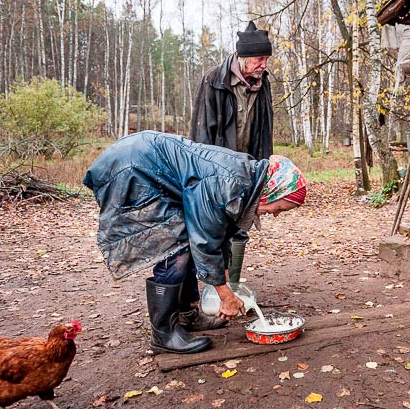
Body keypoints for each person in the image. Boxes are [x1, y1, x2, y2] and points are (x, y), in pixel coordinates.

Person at [82, 131, 307, 354]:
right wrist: (225, 296)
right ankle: (163, 334)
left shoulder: (247, 183)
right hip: (133, 168)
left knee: (184, 239)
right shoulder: (227, 183)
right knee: (175, 246)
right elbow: (204, 240)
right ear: (271, 192)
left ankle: (186, 315)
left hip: (142, 161)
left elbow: (221, 231)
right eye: (279, 208)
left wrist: (225, 280)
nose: (276, 214)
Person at [187, 21, 274, 332]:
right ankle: (213, 293)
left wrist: (264, 170)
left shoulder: (262, 84)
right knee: (215, 230)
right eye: (258, 60)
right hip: (217, 171)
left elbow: (265, 130)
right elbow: (200, 132)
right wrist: (205, 175)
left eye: (266, 60)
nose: (264, 65)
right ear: (241, 57)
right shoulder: (213, 80)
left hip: (249, 168)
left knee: (241, 229)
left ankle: (230, 288)